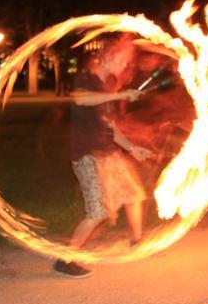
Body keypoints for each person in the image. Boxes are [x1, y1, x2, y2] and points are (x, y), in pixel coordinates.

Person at [53, 36, 155, 278]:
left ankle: (137, 241)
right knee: (98, 211)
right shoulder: (86, 77)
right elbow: (80, 98)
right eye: (123, 60)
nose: (126, 66)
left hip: (108, 151)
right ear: (109, 56)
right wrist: (119, 96)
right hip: (87, 153)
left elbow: (111, 126)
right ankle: (65, 260)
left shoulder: (108, 85)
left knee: (133, 194)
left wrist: (132, 148)